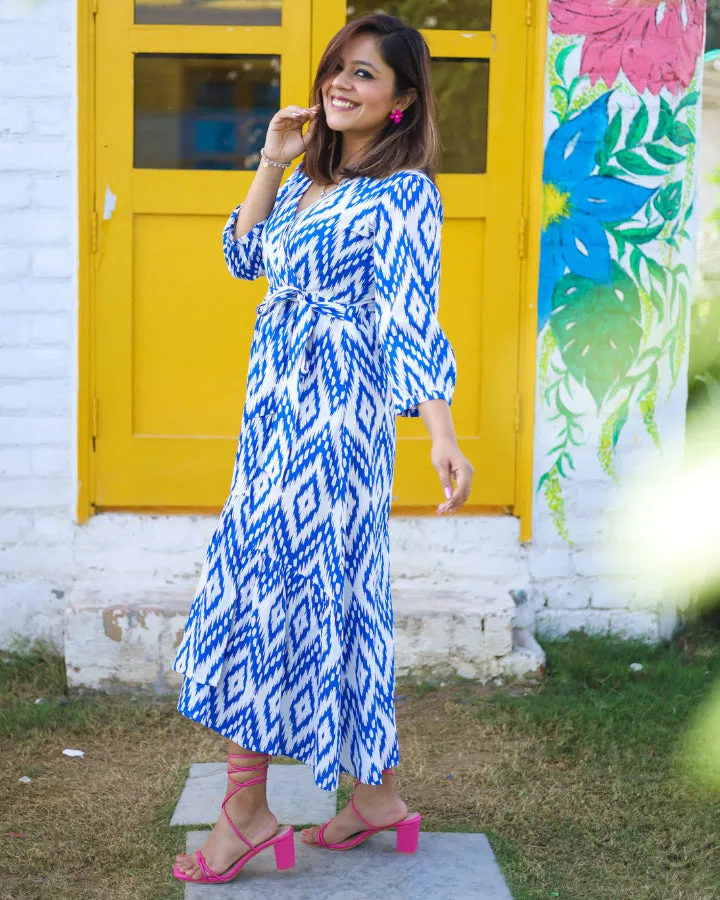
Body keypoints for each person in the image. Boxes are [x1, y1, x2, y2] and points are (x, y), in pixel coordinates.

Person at [171, 12, 474, 886]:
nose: (340, 84)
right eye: (337, 69)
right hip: (273, 412)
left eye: (366, 75)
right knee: (322, 596)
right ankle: (375, 801)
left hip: (334, 420)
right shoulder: (311, 180)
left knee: (265, 595)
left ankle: (245, 812)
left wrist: (442, 436)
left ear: (402, 102)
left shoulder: (406, 193)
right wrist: (271, 158)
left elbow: (411, 315)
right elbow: (239, 257)